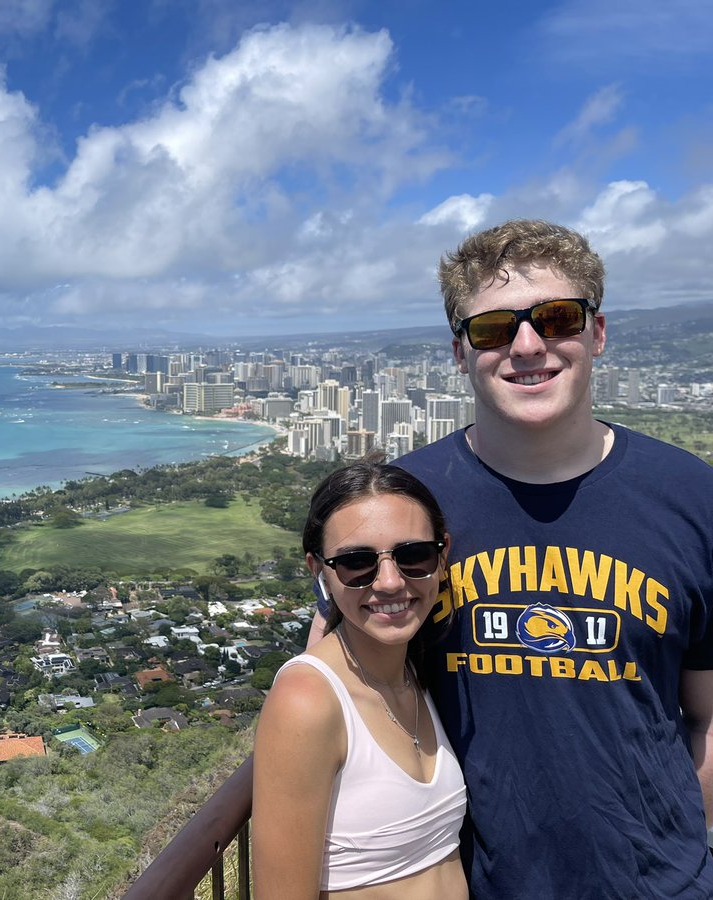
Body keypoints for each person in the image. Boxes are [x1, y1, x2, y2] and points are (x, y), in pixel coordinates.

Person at [311, 219, 713, 898]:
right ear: (462, 354)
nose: (527, 345)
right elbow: (330, 696)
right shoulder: (403, 505)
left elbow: (707, 711)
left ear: (598, 332)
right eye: (493, 329)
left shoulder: (690, 496)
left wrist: (674, 851)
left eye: (557, 318)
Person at [253, 459, 467, 899]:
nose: (390, 582)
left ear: (442, 556)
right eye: (357, 563)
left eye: (413, 556)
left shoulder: (416, 669)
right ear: (320, 571)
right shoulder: (307, 700)